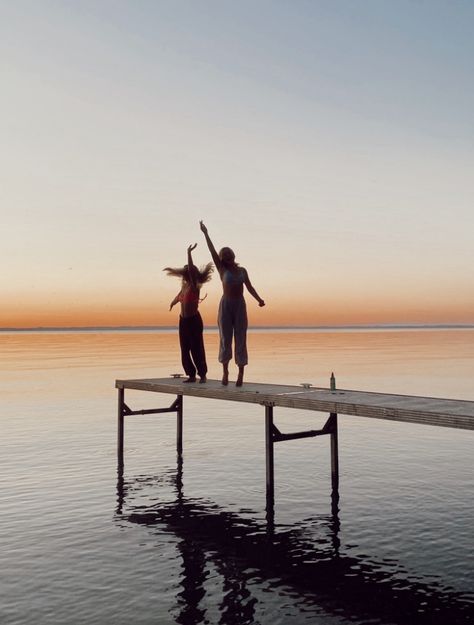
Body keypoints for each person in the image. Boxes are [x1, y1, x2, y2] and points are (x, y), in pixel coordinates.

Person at [199, 220, 265, 387]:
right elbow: (212, 251)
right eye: (224, 256)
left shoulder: (242, 271)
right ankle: (225, 371)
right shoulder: (223, 270)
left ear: (233, 256)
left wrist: (259, 300)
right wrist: (206, 234)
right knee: (225, 338)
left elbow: (249, 287)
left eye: (229, 255)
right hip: (226, 306)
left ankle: (241, 372)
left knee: (241, 338)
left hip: (240, 306)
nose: (227, 258)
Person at [164, 244, 213, 383]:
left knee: (196, 348)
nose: (187, 272)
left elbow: (191, 270)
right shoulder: (184, 286)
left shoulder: (194, 284)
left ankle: (202, 374)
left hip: (194, 320)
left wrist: (189, 253)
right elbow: (178, 296)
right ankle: (191, 375)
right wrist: (172, 303)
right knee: (184, 349)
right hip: (183, 321)